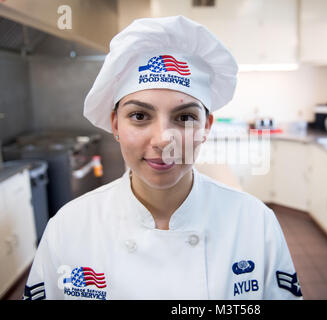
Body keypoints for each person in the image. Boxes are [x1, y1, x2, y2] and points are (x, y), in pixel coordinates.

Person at [23, 15, 303, 300]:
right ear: (116, 124)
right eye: (139, 116)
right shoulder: (68, 229)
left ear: (206, 127)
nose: (162, 140)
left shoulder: (255, 223)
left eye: (184, 117)